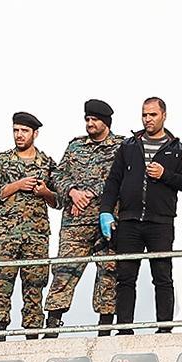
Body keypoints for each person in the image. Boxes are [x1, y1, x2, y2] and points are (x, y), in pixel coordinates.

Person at [100, 96, 182, 331]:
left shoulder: (177, 148)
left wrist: (165, 175)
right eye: (144, 114)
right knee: (125, 278)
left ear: (164, 115)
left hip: (160, 222)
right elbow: (113, 181)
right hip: (129, 221)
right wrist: (105, 211)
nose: (147, 119)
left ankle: (164, 328)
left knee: (162, 276)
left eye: (152, 114)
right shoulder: (129, 146)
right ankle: (124, 328)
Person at [45, 100, 121, 332]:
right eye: (87, 119)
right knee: (64, 271)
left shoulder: (121, 147)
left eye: (94, 120)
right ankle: (53, 324)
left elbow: (119, 178)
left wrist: (88, 194)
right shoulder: (75, 147)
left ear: (105, 122)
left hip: (106, 220)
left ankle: (105, 326)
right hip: (74, 223)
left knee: (108, 272)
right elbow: (57, 174)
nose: (90, 123)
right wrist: (72, 191)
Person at [0, 112, 57, 338]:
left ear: (35, 133)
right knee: (0, 282)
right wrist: (17, 185)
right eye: (16, 130)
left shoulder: (47, 163)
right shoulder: (2, 161)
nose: (19, 135)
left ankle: (32, 334)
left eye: (24, 131)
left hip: (36, 234)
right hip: (7, 234)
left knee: (35, 284)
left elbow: (58, 199)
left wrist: (44, 192)